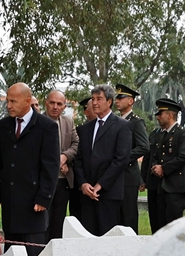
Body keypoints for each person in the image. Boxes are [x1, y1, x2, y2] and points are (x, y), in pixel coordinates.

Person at [0, 83, 60, 256]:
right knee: (12, 254)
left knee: (32, 255)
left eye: (13, 101)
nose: (9, 106)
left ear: (28, 101)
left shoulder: (46, 127)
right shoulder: (5, 125)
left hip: (33, 203)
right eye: (7, 101)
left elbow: (51, 166)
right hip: (11, 201)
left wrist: (44, 198)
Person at [72, 83, 130, 236]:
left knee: (107, 238)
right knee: (88, 238)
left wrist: (100, 185)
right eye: (93, 99)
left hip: (109, 194)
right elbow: (78, 159)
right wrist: (83, 184)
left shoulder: (122, 126)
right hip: (87, 195)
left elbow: (121, 159)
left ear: (109, 102)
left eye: (99, 99)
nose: (94, 103)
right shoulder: (85, 128)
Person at [141, 98, 185, 232]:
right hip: (157, 186)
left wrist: (164, 168)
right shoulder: (156, 134)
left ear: (169, 115)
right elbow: (152, 155)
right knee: (157, 225)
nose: (157, 117)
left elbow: (184, 156)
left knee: (172, 228)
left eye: (160, 114)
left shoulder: (183, 133)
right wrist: (153, 169)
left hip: (174, 186)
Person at [42, 90, 79, 241]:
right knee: (42, 223)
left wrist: (65, 157)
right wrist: (55, 162)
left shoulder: (68, 122)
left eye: (59, 104)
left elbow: (76, 143)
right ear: (46, 103)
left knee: (58, 223)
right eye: (52, 103)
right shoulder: (37, 122)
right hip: (43, 181)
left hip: (63, 180)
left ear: (64, 106)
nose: (55, 107)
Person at [114, 83, 149, 232]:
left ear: (131, 101)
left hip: (128, 175)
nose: (117, 100)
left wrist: (123, 157)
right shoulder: (115, 121)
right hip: (115, 175)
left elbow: (144, 146)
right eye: (117, 98)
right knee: (116, 216)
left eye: (121, 98)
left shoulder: (136, 122)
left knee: (128, 215)